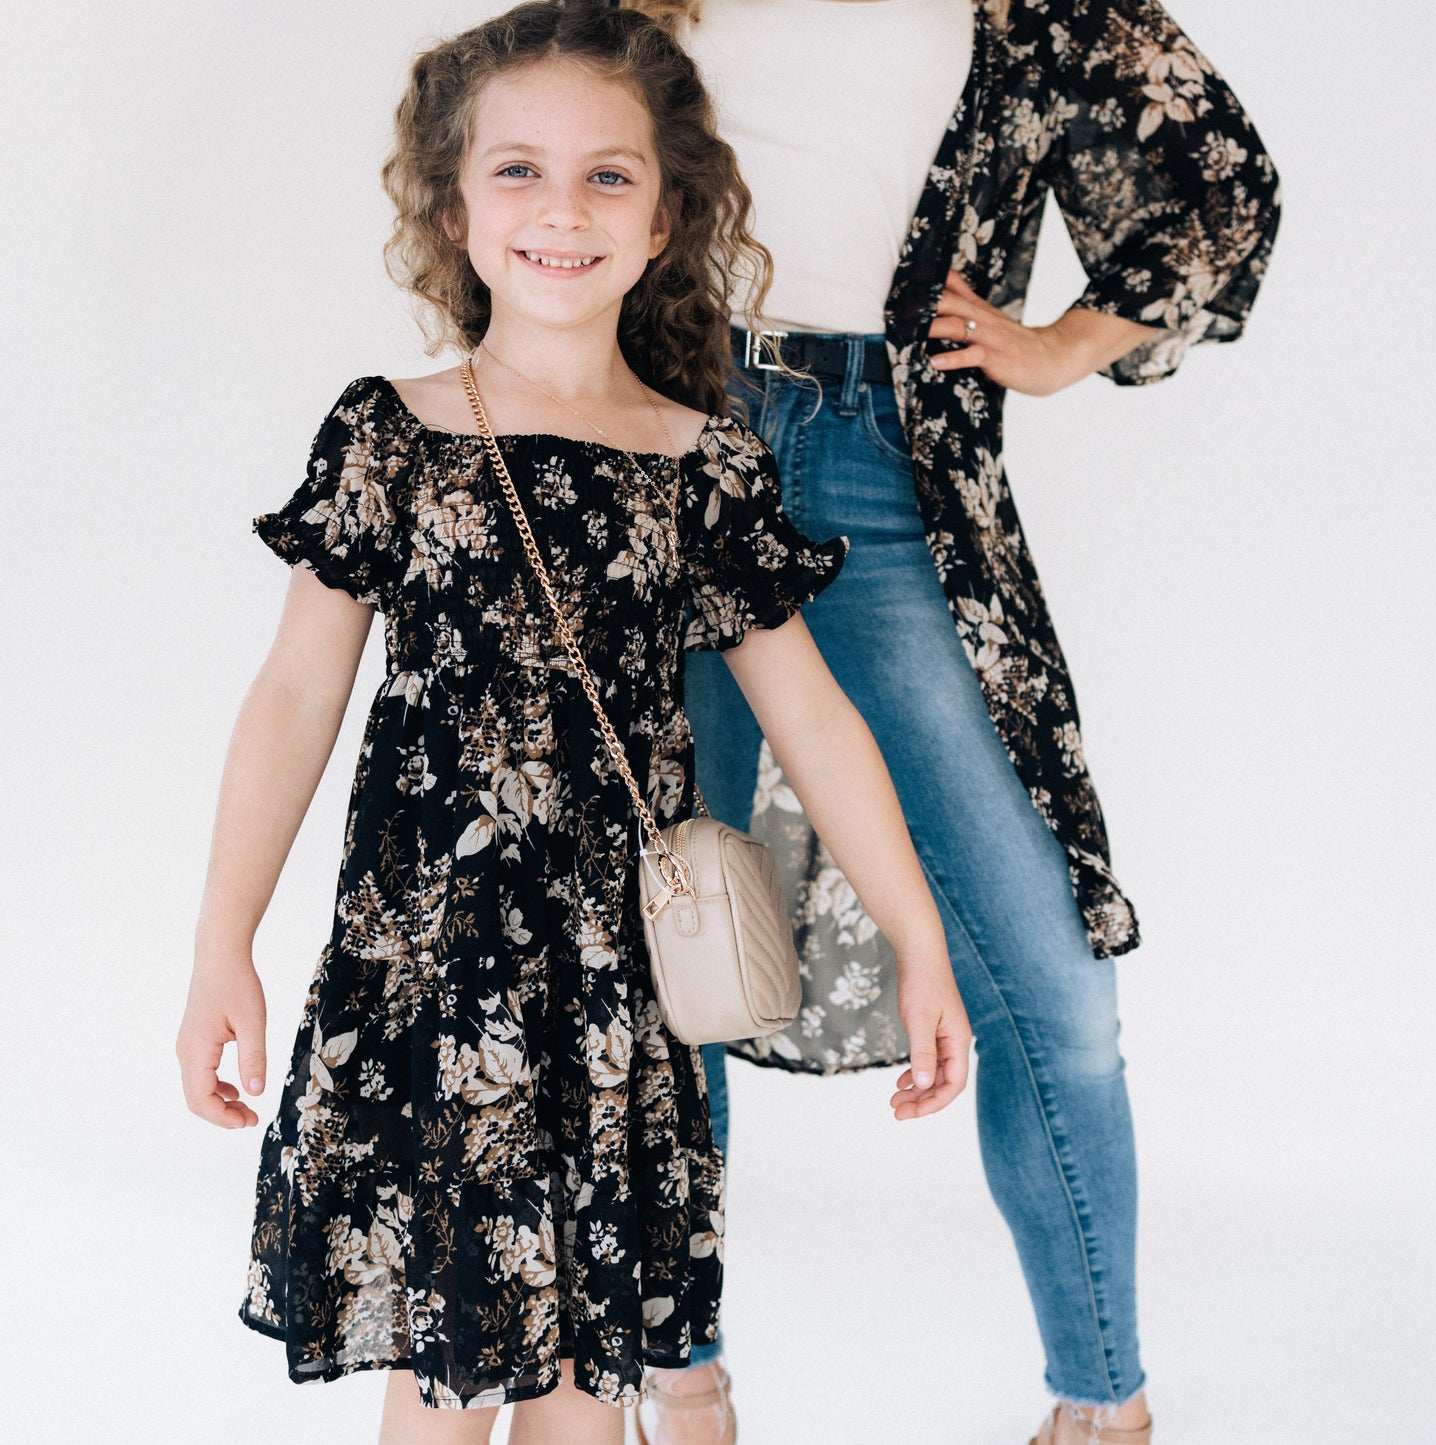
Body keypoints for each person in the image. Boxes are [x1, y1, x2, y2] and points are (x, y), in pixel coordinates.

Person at [173, 4, 972, 1442]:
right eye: (517, 171)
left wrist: (919, 940)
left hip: (608, 992)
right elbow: (293, 692)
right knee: (442, 1377)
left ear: (665, 221)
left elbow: (816, 719)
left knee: (584, 1381)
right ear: (450, 205)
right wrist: (220, 942)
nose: (562, 208)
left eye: (609, 175)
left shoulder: (701, 457)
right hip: (431, 984)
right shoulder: (391, 431)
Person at [622, 2, 1282, 1444]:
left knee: (1050, 989)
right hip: (662, 436)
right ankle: (676, 1370)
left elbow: (1221, 183)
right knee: (658, 938)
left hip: (887, 466)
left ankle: (1100, 1403)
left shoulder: (1032, 5)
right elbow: (526, 162)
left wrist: (1062, 345)